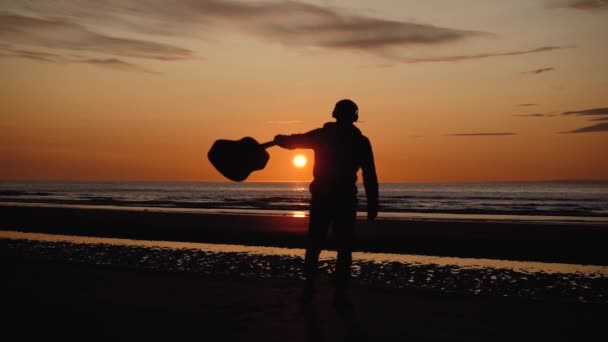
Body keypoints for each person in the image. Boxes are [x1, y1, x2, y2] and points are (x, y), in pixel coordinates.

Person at [274, 99, 379, 308]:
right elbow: (369, 175)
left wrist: (281, 139)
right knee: (343, 248)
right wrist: (372, 203)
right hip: (344, 199)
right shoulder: (360, 141)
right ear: (354, 117)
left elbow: (296, 141)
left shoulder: (323, 136)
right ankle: (338, 293)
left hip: (323, 198)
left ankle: (310, 288)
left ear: (335, 114)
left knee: (315, 245)